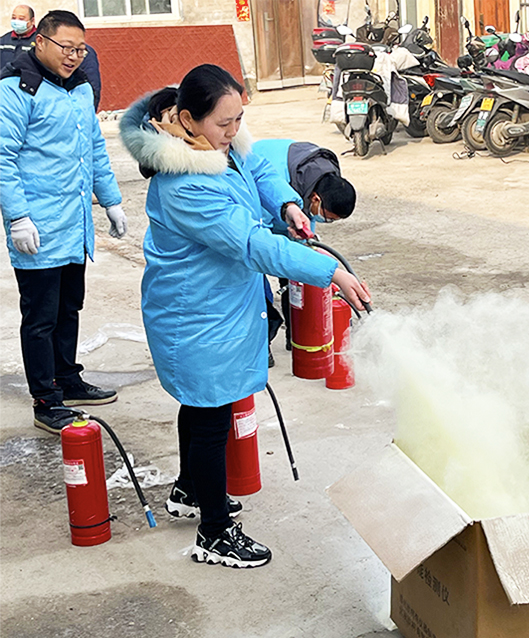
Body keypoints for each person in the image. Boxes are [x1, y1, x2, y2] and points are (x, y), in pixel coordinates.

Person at [119, 64, 370, 568]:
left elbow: (256, 169)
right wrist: (329, 271)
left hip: (219, 304)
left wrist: (286, 204)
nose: (234, 133)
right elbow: (252, 245)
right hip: (195, 313)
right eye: (224, 124)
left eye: (239, 120)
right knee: (212, 416)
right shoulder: (185, 184)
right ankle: (214, 533)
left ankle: (190, 490)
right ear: (187, 119)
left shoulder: (217, 143)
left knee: (202, 406)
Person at [0, 10, 127, 434]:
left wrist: (110, 201)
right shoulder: (17, 89)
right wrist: (17, 217)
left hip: (74, 225)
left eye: (80, 49)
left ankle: (67, 378)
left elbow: (93, 149)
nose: (74, 56)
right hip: (37, 226)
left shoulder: (78, 89)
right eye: (66, 48)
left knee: (69, 306)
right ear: (40, 41)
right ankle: (45, 399)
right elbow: (3, 159)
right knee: (40, 317)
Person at [251, 138, 357, 363]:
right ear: (316, 199)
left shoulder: (324, 179)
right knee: (255, 277)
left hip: (288, 199)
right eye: (328, 218)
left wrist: (313, 253)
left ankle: (296, 334)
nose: (325, 221)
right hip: (258, 207)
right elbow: (262, 248)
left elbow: (303, 236)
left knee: (297, 274)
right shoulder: (272, 182)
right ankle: (261, 343)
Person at [0, 5, 36, 70]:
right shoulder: (3, 41)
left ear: (32, 21)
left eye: (21, 19)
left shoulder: (40, 41)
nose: (16, 21)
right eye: (14, 18)